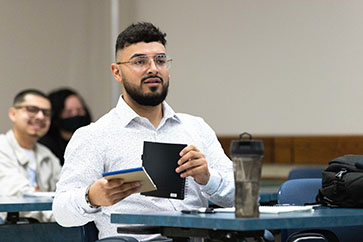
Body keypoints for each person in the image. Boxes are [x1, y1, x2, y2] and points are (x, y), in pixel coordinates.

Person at [53, 22, 235, 241]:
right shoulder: (94, 136)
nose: (153, 68)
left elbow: (241, 198)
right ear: (117, 72)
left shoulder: (196, 127)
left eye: (160, 60)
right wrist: (91, 197)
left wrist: (208, 178)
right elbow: (62, 212)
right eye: (140, 61)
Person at [0, 89, 61, 222]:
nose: (40, 117)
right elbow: (19, 196)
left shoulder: (47, 154)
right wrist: (65, 215)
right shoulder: (2, 147)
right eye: (32, 109)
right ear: (13, 113)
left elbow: (67, 191)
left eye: (46, 113)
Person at [39, 88, 92, 165]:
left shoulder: (90, 140)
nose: (75, 115)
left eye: (79, 110)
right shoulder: (45, 146)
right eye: (68, 112)